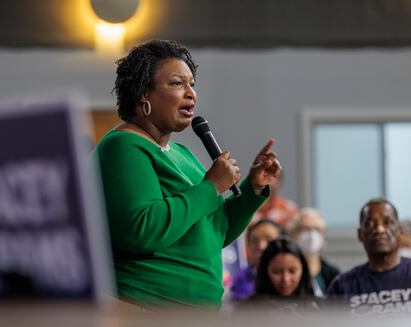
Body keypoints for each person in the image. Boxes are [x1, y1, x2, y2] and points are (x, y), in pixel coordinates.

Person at [95, 39, 282, 309]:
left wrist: (252, 188)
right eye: (176, 83)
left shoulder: (182, 153)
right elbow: (142, 229)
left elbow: (214, 230)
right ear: (143, 94)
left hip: (193, 320)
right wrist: (210, 187)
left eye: (192, 84)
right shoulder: (123, 146)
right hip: (146, 314)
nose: (191, 93)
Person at [327, 198, 411, 316]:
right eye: (370, 224)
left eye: (387, 223)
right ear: (360, 234)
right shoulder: (343, 286)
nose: (380, 229)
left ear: (400, 231)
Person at [243, 237, 317, 312]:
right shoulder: (247, 310)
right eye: (277, 272)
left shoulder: (317, 308)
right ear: (265, 271)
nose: (285, 279)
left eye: (292, 271)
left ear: (303, 270)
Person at [289, 208, 340, 297]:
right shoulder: (285, 273)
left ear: (323, 235)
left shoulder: (333, 275)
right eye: (305, 228)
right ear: (293, 233)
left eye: (317, 229)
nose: (311, 235)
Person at [230, 218, 283, 301]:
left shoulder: (294, 276)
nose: (261, 246)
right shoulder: (241, 281)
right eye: (255, 241)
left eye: (269, 239)